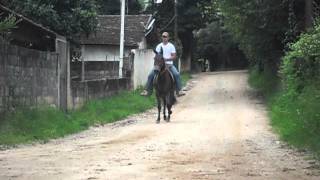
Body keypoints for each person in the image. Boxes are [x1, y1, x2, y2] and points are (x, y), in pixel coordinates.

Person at [141, 32, 186, 97]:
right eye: (163, 36)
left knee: (176, 74)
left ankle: (179, 90)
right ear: (162, 37)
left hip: (169, 65)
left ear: (168, 38)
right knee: (150, 75)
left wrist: (166, 59)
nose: (164, 38)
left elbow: (174, 56)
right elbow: (157, 56)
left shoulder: (171, 46)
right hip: (159, 66)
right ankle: (147, 91)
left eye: (165, 37)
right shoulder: (159, 46)